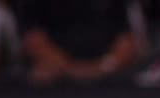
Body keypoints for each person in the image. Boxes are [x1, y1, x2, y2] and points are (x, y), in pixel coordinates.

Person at [16, 0, 145, 84]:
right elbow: (32, 37)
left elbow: (127, 40)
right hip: (55, 75)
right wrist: (67, 68)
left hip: (107, 75)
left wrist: (103, 67)